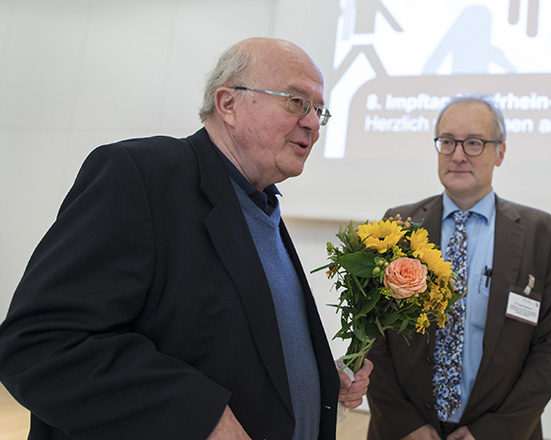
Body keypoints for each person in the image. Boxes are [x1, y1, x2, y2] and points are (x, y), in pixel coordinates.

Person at [0, 37, 372, 440]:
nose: (314, 123)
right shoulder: (142, 176)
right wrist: (200, 415)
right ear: (228, 103)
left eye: (319, 110)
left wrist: (316, 377)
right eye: (297, 102)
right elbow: (40, 345)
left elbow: (236, 346)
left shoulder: (262, 204)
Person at [366, 96, 551, 440]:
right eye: (447, 142)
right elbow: (373, 335)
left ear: (500, 153)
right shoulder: (397, 227)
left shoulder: (544, 236)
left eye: (474, 143)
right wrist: (404, 424)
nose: (458, 155)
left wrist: (493, 432)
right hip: (405, 431)